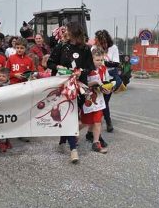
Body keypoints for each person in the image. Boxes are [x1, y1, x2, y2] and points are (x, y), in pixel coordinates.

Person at [47, 22, 95, 164]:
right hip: (63, 86)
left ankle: (63, 139)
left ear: (75, 32)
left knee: (74, 115)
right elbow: (49, 62)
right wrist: (58, 66)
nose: (64, 32)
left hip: (79, 87)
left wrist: (81, 72)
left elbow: (90, 67)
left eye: (67, 30)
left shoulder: (85, 49)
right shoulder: (61, 46)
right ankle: (73, 149)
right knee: (69, 116)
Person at [82, 48, 109, 154]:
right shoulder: (86, 69)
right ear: (92, 59)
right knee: (85, 122)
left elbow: (104, 82)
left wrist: (106, 89)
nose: (100, 62)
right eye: (97, 60)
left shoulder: (103, 69)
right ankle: (70, 134)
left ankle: (96, 142)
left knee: (98, 121)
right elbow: (81, 84)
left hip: (99, 98)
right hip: (87, 98)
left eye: (101, 60)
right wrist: (92, 84)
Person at [93, 30, 120, 132]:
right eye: (99, 42)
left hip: (110, 75)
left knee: (105, 100)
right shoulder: (94, 48)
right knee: (102, 101)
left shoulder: (113, 48)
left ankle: (107, 121)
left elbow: (116, 63)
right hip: (97, 75)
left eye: (103, 42)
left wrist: (102, 62)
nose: (101, 45)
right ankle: (102, 122)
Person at [0, 67, 13, 152]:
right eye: (0, 76)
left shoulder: (11, 86)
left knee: (8, 125)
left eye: (3, 76)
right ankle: (1, 143)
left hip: (8, 108)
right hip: (0, 109)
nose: (1, 77)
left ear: (8, 77)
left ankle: (7, 141)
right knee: (1, 126)